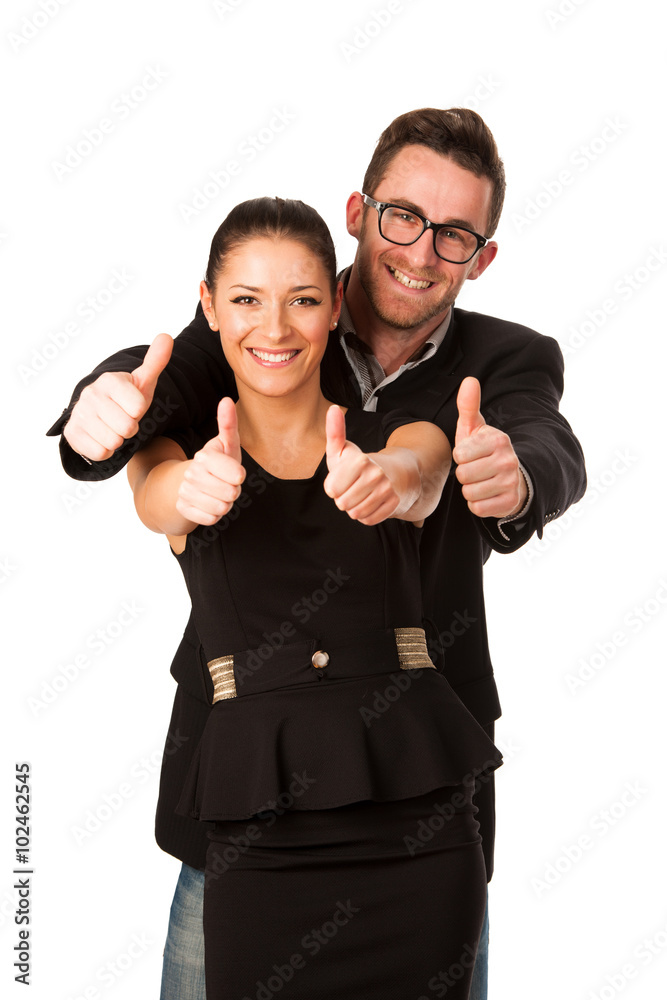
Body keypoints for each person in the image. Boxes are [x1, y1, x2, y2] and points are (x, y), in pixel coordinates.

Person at [47, 107, 587, 999]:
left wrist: (516, 479)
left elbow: (537, 442)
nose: (420, 252)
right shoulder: (274, 322)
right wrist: (97, 408)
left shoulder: (506, 359)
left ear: (481, 256)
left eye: (453, 235)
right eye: (403, 217)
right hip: (246, 777)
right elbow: (156, 375)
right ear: (359, 213)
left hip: (416, 782)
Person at [126, 195, 502, 999]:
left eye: (300, 299)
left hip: (417, 831)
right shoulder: (179, 457)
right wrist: (189, 489)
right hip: (259, 836)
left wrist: (386, 480)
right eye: (246, 299)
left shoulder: (400, 432)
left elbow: (422, 473)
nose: (274, 326)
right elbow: (157, 499)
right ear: (208, 308)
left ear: (335, 305)